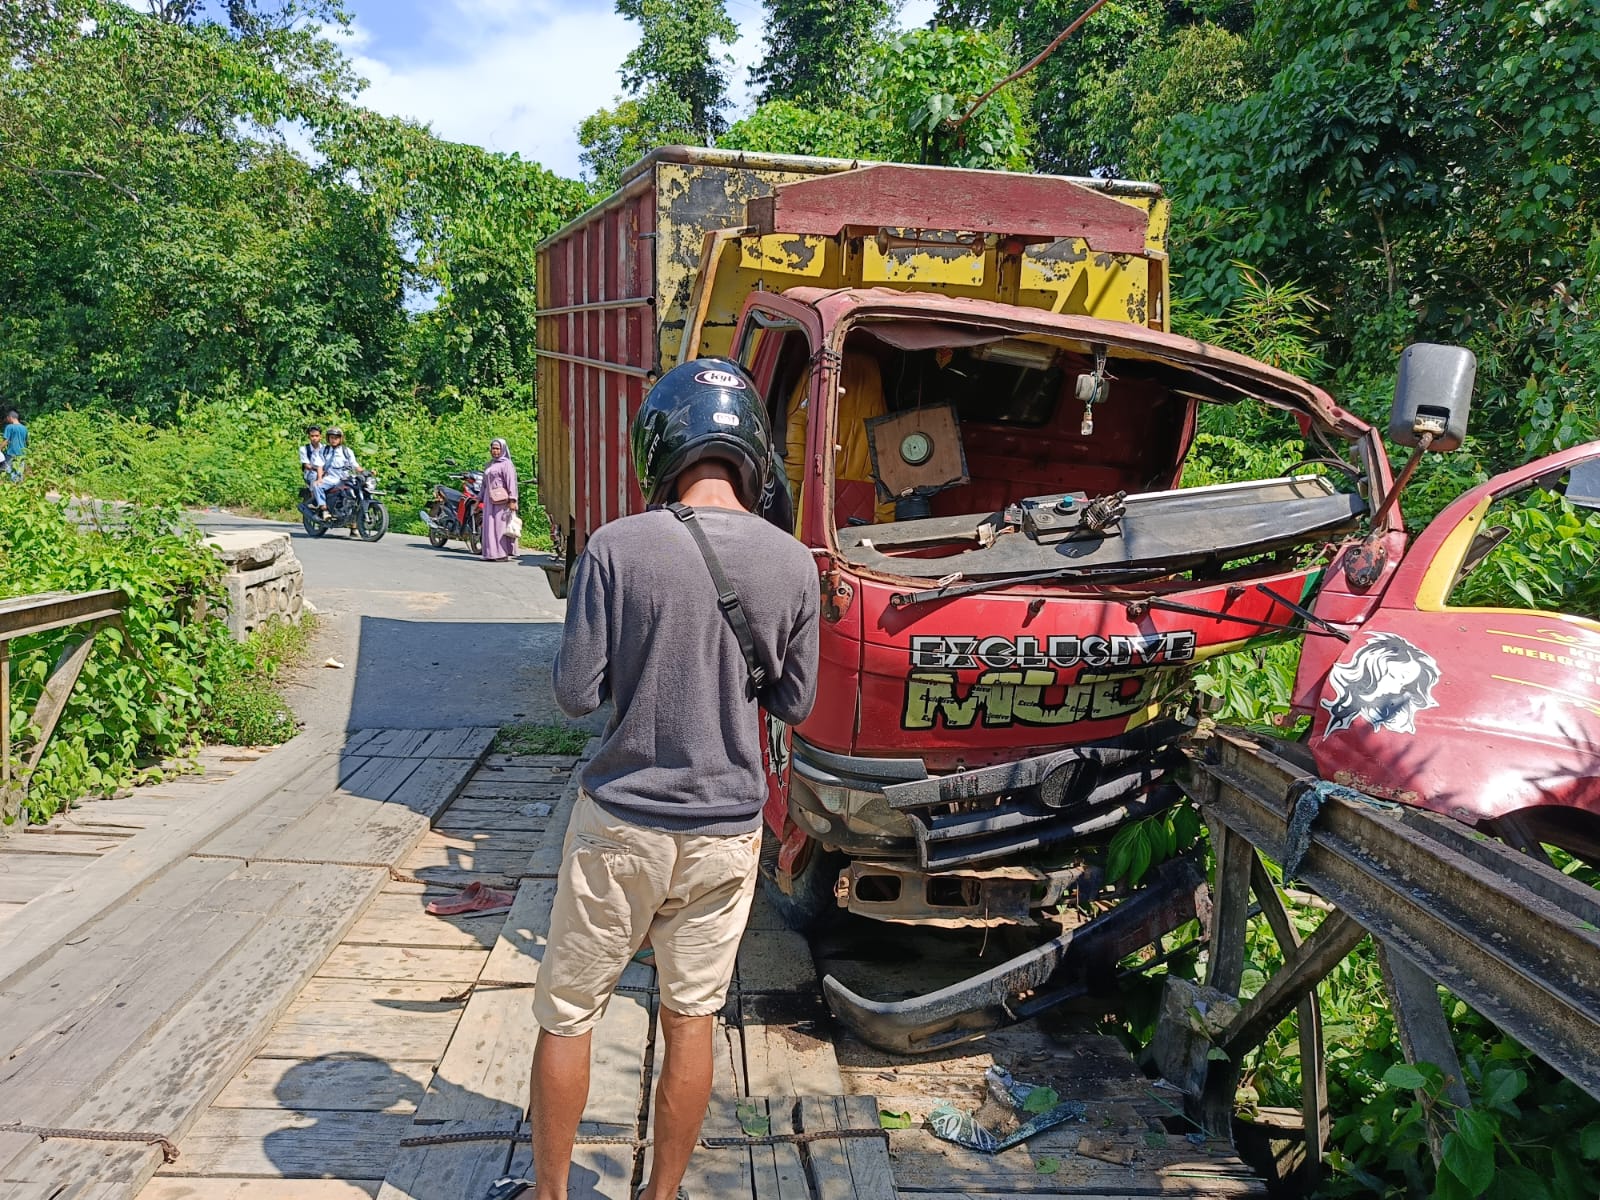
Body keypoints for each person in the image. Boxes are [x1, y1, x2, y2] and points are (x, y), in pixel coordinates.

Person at [500, 359, 820, 1200]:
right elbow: (795, 698)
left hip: (623, 827)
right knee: (692, 1018)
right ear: (751, 447)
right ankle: (662, 1194)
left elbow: (574, 693)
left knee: (569, 1013)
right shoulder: (793, 563)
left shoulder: (616, 545)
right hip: (726, 835)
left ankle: (549, 1195)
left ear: (661, 445)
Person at [480, 437, 519, 562]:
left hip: (502, 501)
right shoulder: (489, 464)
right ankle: (490, 553)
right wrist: (478, 499)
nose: (495, 451)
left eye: (497, 449)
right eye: (493, 448)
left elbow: (511, 482)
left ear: (502, 449)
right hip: (489, 499)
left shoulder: (506, 464)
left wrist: (513, 500)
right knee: (489, 526)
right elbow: (484, 484)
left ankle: (502, 553)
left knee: (500, 527)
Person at [299, 425, 330, 517]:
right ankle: (314, 501)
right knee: (313, 476)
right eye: (312, 436)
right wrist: (319, 470)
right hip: (310, 472)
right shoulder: (304, 449)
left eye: (316, 436)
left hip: (325, 471)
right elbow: (307, 465)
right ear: (309, 437)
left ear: (321, 436)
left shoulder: (325, 448)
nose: (314, 438)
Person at [3, 410, 27, 481]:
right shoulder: (24, 428)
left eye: (7, 418)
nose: (7, 420)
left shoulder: (9, 427)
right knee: (19, 473)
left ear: (10, 417)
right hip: (22, 454)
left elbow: (6, 441)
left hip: (11, 454)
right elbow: (25, 441)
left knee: (10, 473)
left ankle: (12, 489)